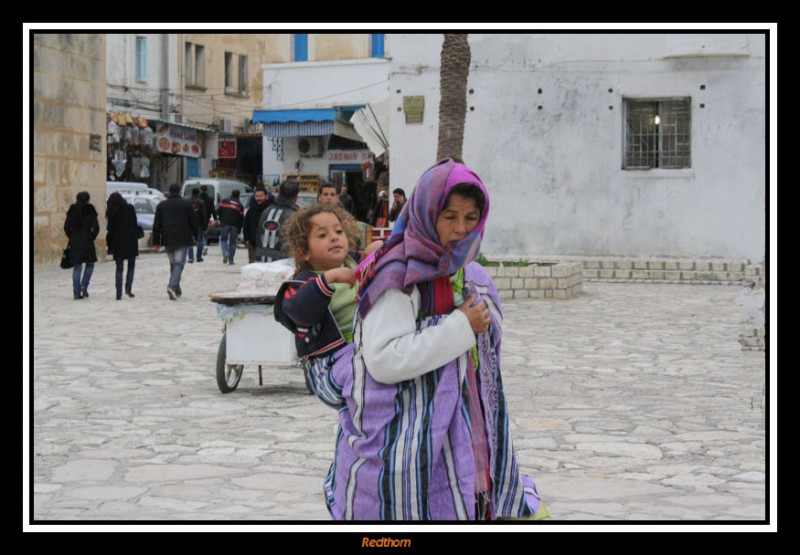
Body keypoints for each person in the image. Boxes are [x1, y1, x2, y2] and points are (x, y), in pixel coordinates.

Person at [308, 158, 550, 520]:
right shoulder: (398, 275)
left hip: (469, 429)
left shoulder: (470, 273)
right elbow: (384, 360)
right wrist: (461, 327)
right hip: (404, 442)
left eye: (471, 218)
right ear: (426, 211)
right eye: (449, 216)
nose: (460, 229)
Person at [152, 184, 198, 300]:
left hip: (167, 238)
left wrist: (156, 242)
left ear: (169, 193)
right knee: (178, 263)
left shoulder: (161, 206)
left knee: (174, 263)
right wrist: (196, 236)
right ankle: (172, 286)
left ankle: (177, 290)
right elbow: (193, 222)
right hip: (182, 237)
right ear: (179, 192)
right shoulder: (186, 205)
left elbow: (156, 225)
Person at [64, 191, 100, 300]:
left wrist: (72, 237)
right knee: (90, 265)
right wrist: (91, 237)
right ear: (88, 199)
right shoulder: (90, 209)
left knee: (77, 267)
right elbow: (96, 228)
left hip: (75, 241)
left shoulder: (72, 209)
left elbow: (66, 227)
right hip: (87, 241)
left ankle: (76, 293)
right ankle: (84, 285)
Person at [105, 192, 139, 300]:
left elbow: (110, 229)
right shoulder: (130, 209)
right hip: (131, 240)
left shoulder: (111, 212)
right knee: (131, 266)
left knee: (119, 268)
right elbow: (134, 224)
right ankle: (128, 289)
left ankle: (118, 292)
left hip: (117, 242)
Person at [256, 181, 300, 262]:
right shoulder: (294, 215)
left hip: (261, 262)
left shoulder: (266, 211)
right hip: (283, 265)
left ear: (279, 193)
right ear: (296, 197)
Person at [243, 186, 272, 263]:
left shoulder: (271, 210)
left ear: (266, 197)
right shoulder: (251, 211)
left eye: (261, 196)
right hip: (253, 244)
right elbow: (246, 225)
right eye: (257, 196)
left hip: (267, 246)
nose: (258, 198)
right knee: (253, 267)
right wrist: (246, 240)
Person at [218, 189, 245, 265]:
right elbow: (241, 219)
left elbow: (218, 211)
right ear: (238, 195)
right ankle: (231, 260)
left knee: (223, 240)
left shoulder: (224, 201)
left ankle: (225, 252)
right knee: (233, 243)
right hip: (235, 226)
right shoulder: (240, 205)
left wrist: (221, 220)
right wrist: (239, 230)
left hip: (225, 224)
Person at [187, 188, 207, 263]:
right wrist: (204, 225)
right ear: (198, 193)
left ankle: (191, 257)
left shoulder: (187, 202)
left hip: (189, 225)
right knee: (200, 241)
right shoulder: (201, 202)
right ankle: (199, 257)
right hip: (199, 224)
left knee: (190, 241)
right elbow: (203, 214)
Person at [199, 185, 216, 257]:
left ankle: (204, 245)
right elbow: (213, 209)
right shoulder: (210, 199)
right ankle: (204, 244)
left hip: (198, 217)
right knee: (205, 231)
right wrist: (215, 217)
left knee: (200, 233)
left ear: (200, 190)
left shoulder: (198, 198)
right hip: (207, 217)